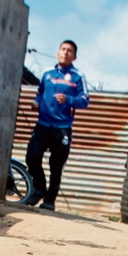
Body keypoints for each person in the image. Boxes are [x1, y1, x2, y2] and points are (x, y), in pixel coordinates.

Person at [25, 40, 89, 211]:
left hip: (62, 128)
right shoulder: (47, 73)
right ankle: (39, 189)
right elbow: (39, 93)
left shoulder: (77, 76)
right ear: (57, 53)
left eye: (70, 51)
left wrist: (68, 100)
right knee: (32, 156)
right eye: (63, 49)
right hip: (43, 124)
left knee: (56, 165)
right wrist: (35, 102)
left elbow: (84, 101)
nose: (66, 52)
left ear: (74, 56)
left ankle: (49, 200)